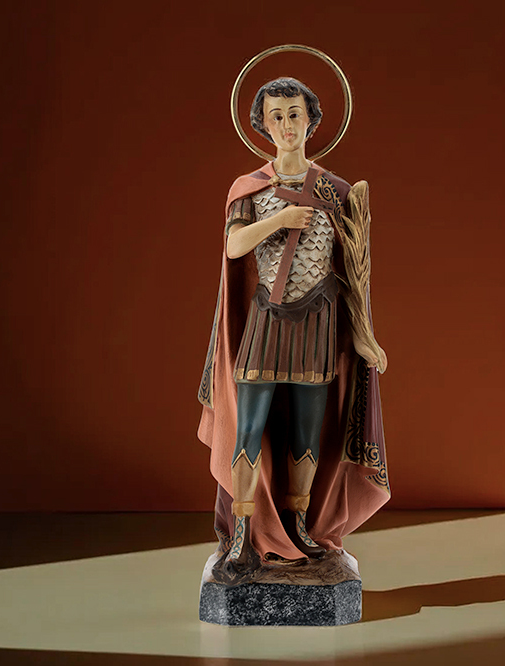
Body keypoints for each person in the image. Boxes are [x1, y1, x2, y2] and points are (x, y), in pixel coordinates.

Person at [197, 77, 390, 584]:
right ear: (263, 125)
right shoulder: (248, 189)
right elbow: (234, 246)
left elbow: (355, 272)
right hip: (265, 317)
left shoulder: (336, 192)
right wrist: (280, 219)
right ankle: (242, 534)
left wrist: (363, 335)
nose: (287, 125)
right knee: (249, 428)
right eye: (277, 116)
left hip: (319, 320)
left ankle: (301, 526)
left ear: (312, 120)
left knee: (308, 431)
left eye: (295, 114)